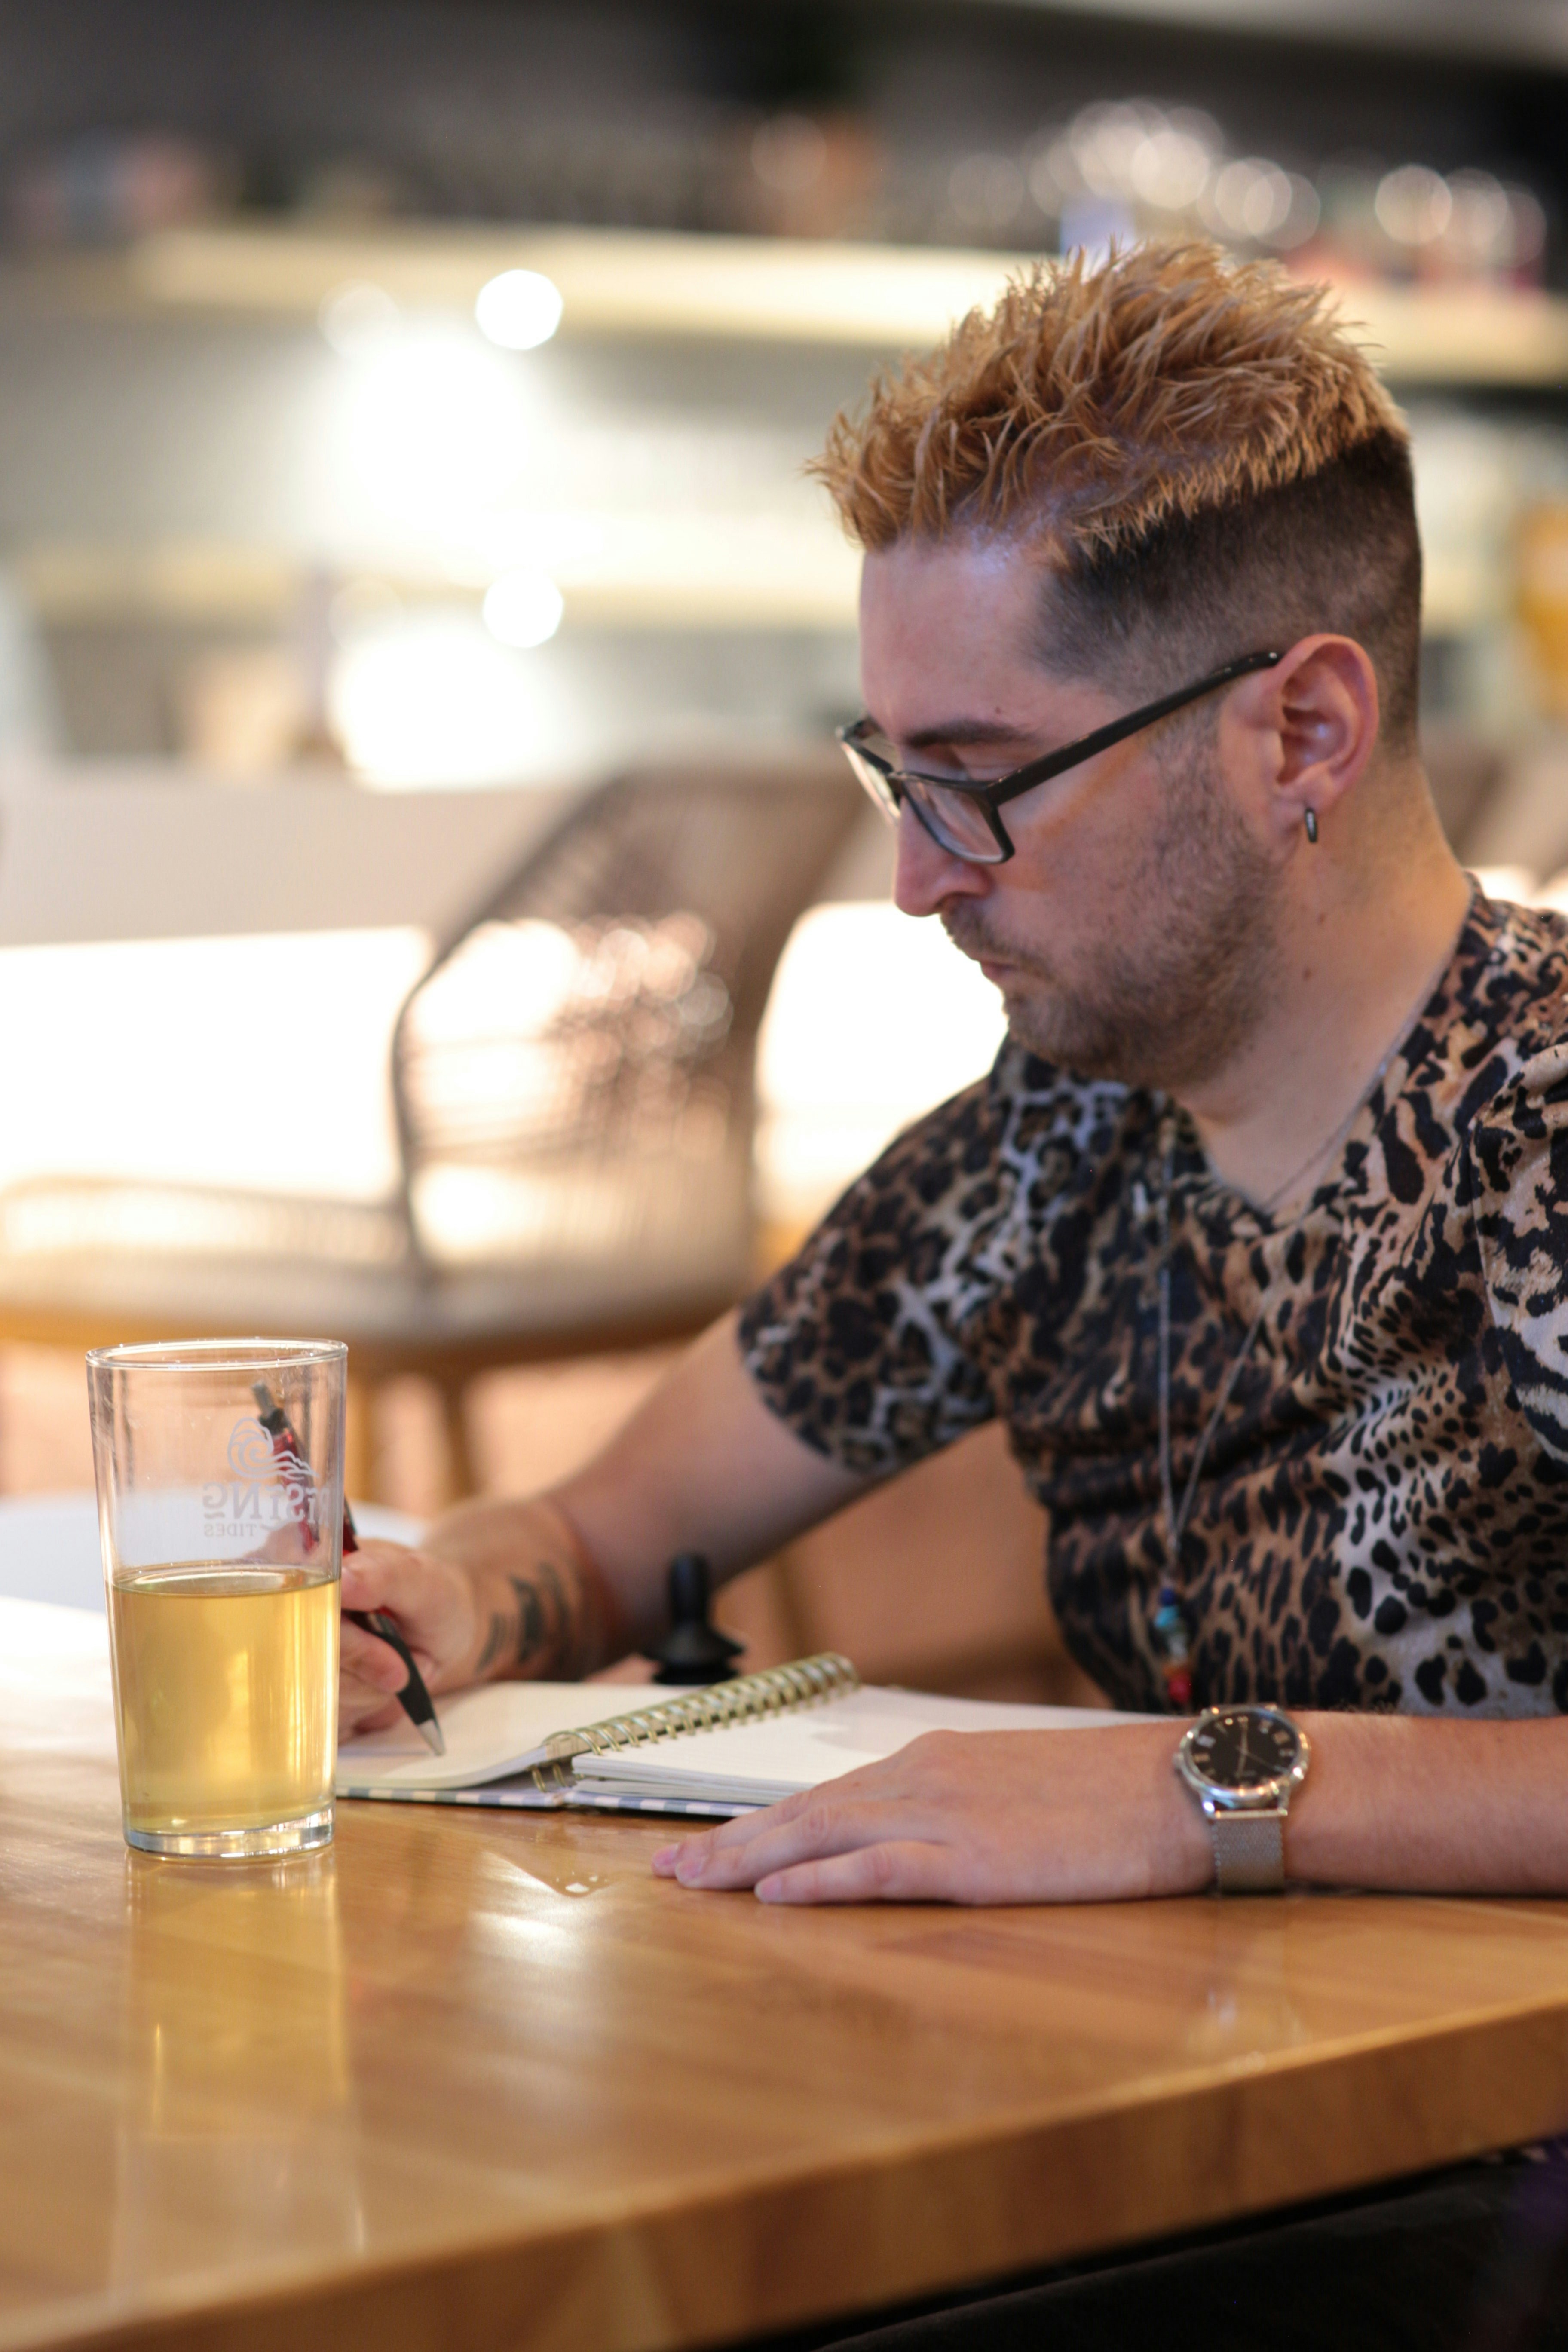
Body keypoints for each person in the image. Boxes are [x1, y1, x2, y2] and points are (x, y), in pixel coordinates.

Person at [340, 240, 1568, 1913]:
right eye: (896, 777)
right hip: (1229, 2097)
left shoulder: (1538, 1125)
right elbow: (601, 1538)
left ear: (1304, 737)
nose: (918, 879)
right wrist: (450, 1603)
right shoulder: (1048, 1151)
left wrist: (1185, 1793)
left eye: (984, 782)